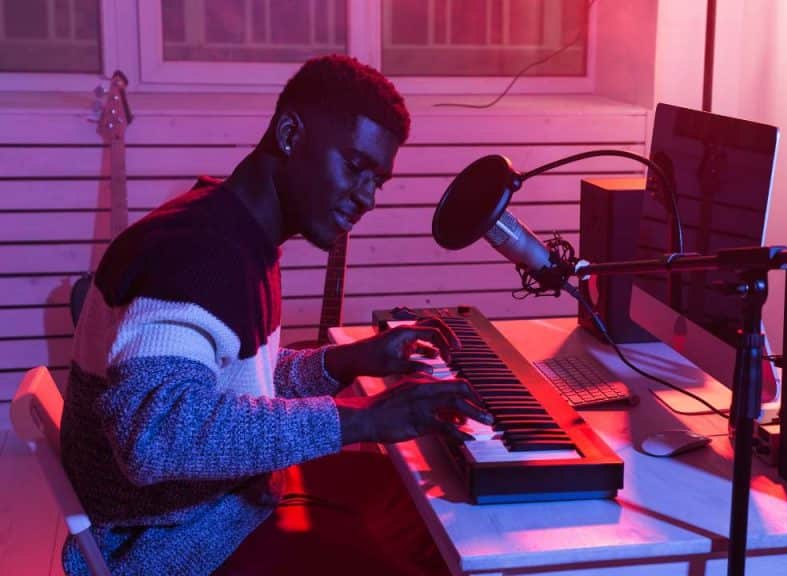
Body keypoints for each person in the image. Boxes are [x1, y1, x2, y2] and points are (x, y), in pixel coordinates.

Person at [61, 54, 491, 575]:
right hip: (175, 548)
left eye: (379, 181)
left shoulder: (236, 233)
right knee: (446, 545)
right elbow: (156, 436)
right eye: (356, 167)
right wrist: (365, 419)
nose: (368, 198)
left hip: (221, 509)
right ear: (290, 134)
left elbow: (233, 388)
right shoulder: (193, 256)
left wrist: (349, 360)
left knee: (432, 511)